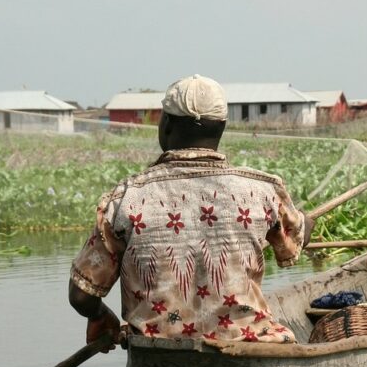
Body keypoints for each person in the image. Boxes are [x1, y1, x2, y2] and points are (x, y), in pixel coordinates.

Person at [68, 74, 312, 348]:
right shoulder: (264, 191)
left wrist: (100, 315)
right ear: (222, 126)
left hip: (159, 354)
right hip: (249, 346)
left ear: (167, 124)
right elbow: (292, 245)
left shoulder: (126, 199)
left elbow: (82, 296)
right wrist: (306, 224)